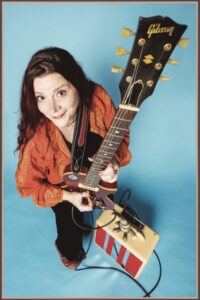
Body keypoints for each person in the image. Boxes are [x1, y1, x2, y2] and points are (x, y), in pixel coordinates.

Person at [15, 47, 132, 270]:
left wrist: (113, 162)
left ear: (77, 85)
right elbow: (25, 185)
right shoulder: (36, 138)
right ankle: (70, 244)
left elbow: (120, 133)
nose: (52, 109)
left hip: (95, 173)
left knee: (116, 220)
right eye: (41, 97)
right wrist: (68, 197)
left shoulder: (97, 98)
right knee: (72, 250)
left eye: (60, 93)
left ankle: (103, 201)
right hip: (63, 187)